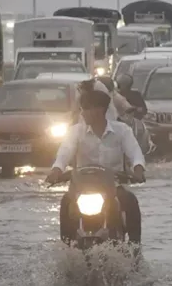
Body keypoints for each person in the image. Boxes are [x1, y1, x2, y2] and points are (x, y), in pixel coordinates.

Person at [46, 79, 146, 246]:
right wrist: (56, 170)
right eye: (82, 109)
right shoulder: (75, 132)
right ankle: (66, 248)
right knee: (65, 202)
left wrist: (138, 169)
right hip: (81, 187)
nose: (83, 114)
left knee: (130, 201)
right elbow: (65, 152)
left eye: (86, 109)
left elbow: (135, 152)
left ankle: (135, 251)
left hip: (113, 187)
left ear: (99, 110)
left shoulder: (122, 131)